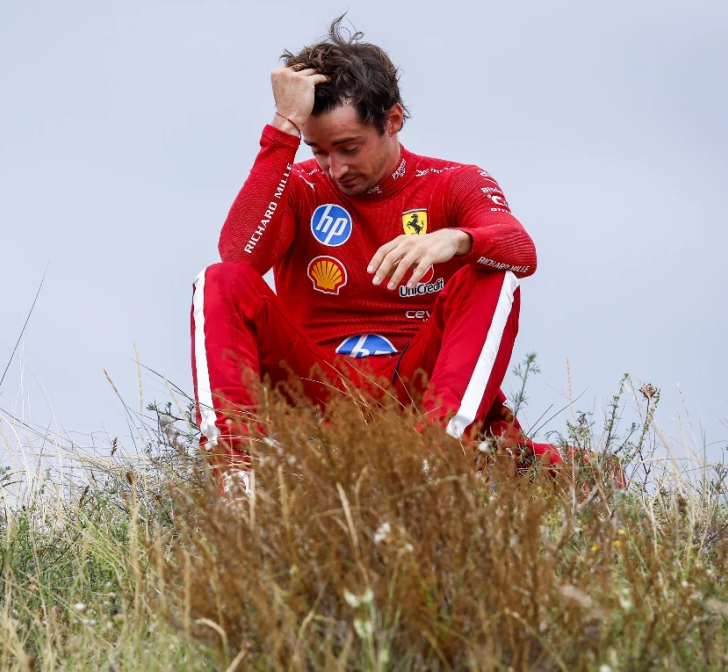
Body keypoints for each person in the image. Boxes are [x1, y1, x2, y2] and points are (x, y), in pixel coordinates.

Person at [190, 18, 561, 496]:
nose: (336, 168)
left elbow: (522, 252)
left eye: (348, 147)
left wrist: (456, 239)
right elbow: (238, 255)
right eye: (319, 150)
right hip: (316, 392)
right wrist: (283, 129)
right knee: (219, 279)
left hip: (421, 393)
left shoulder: (454, 182)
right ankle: (238, 484)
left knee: (493, 274)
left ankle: (436, 468)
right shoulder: (299, 186)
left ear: (393, 120)